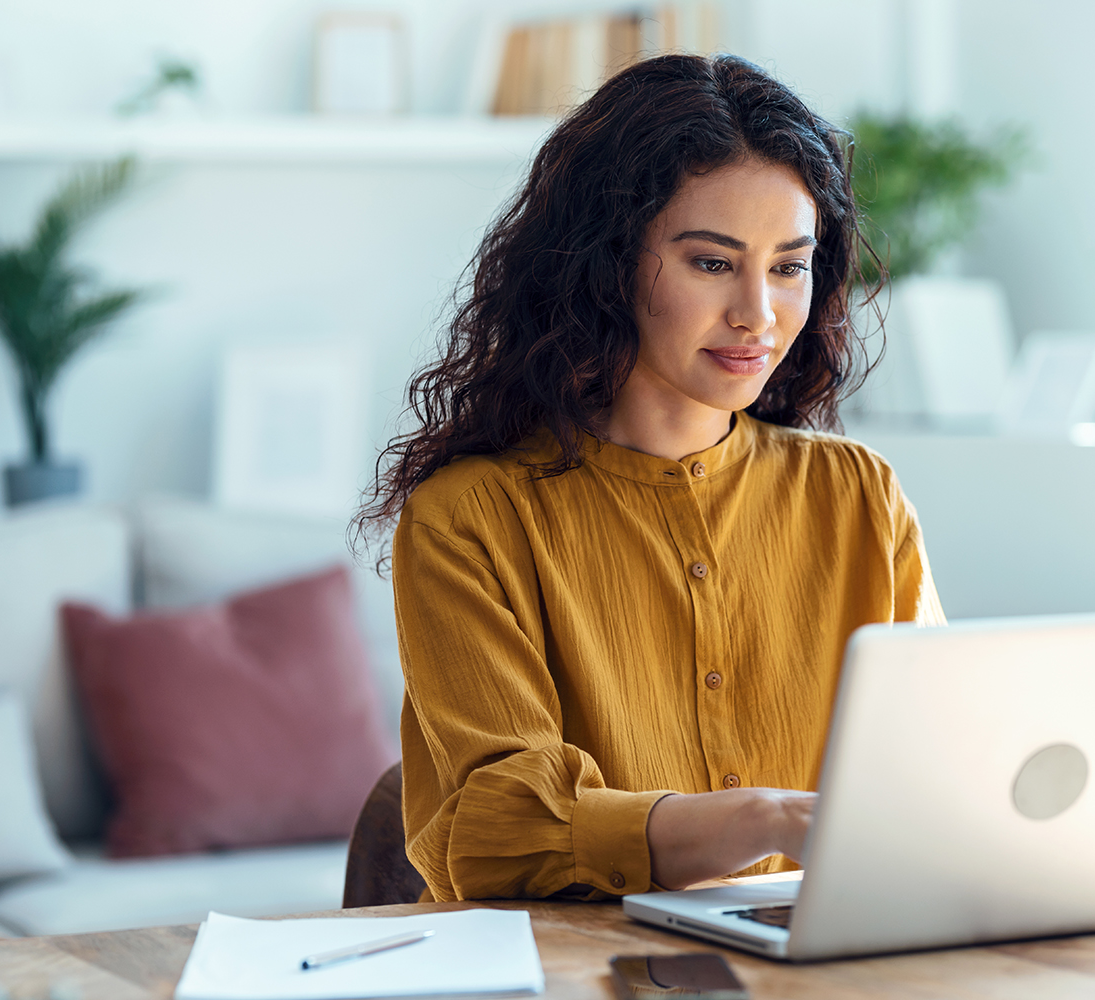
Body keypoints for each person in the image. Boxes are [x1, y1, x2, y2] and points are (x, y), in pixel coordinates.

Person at [357, 53, 943, 903]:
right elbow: (496, 829)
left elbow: (936, 767)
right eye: (713, 263)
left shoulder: (859, 494)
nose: (759, 313)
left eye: (788, 266)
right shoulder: (470, 518)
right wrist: (764, 821)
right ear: (607, 264)